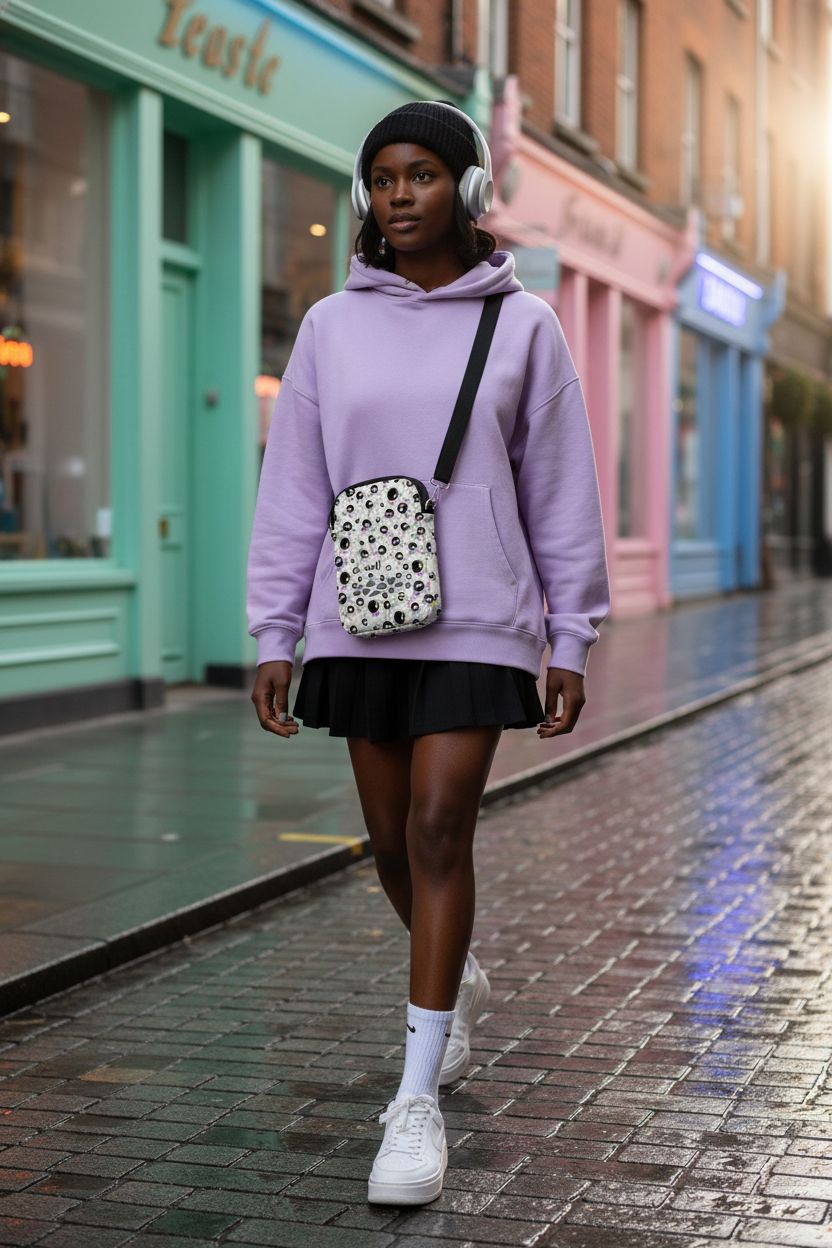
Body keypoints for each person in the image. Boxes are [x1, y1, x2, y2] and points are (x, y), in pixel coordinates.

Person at [247, 99, 611, 1207]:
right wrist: (274, 631)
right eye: (383, 179)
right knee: (388, 843)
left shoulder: (525, 326)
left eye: (422, 175)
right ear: (366, 198)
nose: (401, 195)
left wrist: (572, 631)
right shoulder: (328, 328)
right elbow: (292, 490)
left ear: (469, 189)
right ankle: (453, 982)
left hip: (482, 616)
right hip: (358, 615)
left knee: (438, 825)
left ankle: (416, 1099)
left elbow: (560, 486)